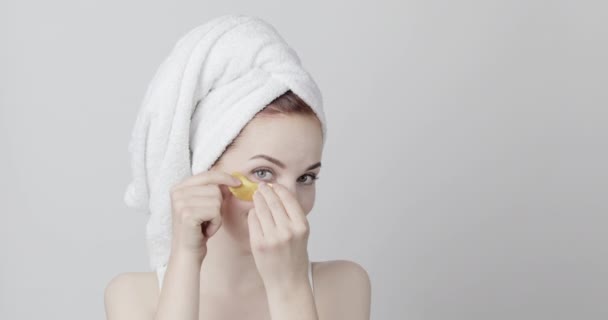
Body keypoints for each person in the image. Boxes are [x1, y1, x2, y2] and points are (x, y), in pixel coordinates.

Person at [104, 15, 370, 320]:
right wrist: (185, 257)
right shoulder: (132, 296)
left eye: (306, 177)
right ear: (203, 172)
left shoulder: (343, 285)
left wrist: (289, 287)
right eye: (263, 173)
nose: (290, 200)